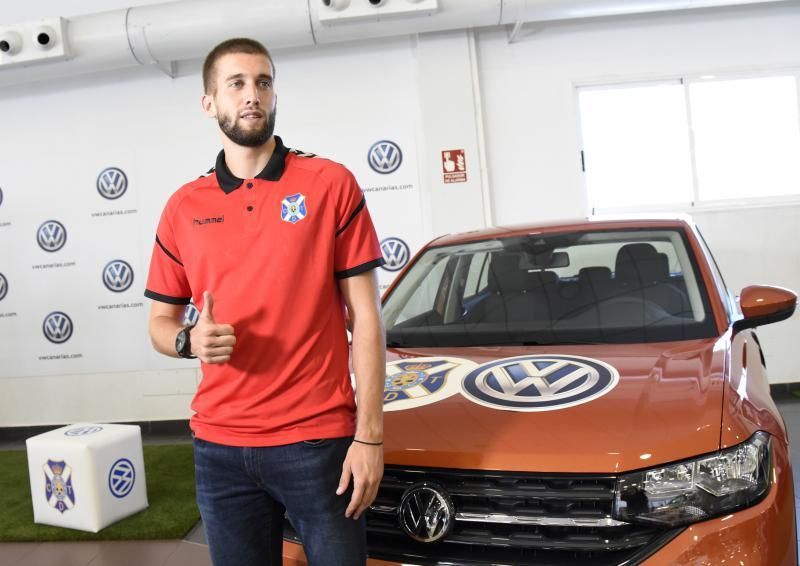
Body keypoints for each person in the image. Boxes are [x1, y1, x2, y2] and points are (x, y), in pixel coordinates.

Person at [144, 37, 386, 566]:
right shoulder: (183, 207)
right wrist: (189, 340)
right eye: (236, 84)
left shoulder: (329, 184)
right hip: (219, 449)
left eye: (263, 81)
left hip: (318, 443)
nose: (252, 94)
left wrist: (369, 438)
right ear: (209, 103)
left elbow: (366, 319)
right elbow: (161, 323)